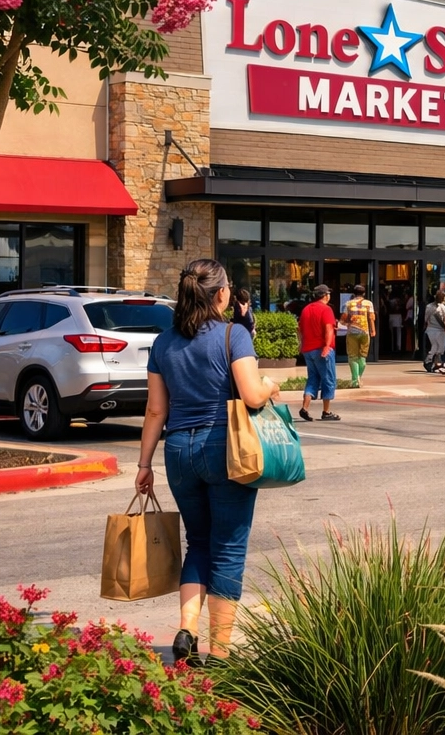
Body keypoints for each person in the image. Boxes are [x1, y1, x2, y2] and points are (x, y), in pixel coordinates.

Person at [135, 258, 280, 664]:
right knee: (229, 548)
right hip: (224, 449)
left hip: (178, 450)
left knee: (197, 542)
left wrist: (144, 465)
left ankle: (186, 630)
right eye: (229, 286)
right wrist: (272, 385)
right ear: (220, 294)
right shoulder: (234, 334)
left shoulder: (163, 343)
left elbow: (155, 411)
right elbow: (252, 394)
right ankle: (219, 652)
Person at [298, 284, 339, 422]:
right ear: (325, 295)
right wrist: (327, 346)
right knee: (328, 379)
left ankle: (305, 408)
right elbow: (329, 329)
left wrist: (301, 345)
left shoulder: (306, 310)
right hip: (321, 349)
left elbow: (300, 329)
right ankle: (326, 411)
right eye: (328, 294)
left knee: (313, 378)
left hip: (308, 350)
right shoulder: (326, 310)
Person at [343, 284, 377, 389]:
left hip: (352, 332)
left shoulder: (348, 304)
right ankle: (359, 377)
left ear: (353, 293)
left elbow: (344, 318)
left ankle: (354, 380)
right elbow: (371, 318)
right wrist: (373, 330)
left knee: (353, 356)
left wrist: (344, 323)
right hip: (364, 332)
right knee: (362, 356)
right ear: (364, 293)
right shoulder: (368, 303)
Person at [423, 287, 445, 372]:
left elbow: (426, 318)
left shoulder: (430, 306)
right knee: (438, 346)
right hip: (436, 329)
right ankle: (432, 361)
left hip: (434, 329)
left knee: (437, 347)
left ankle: (434, 362)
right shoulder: (442, 307)